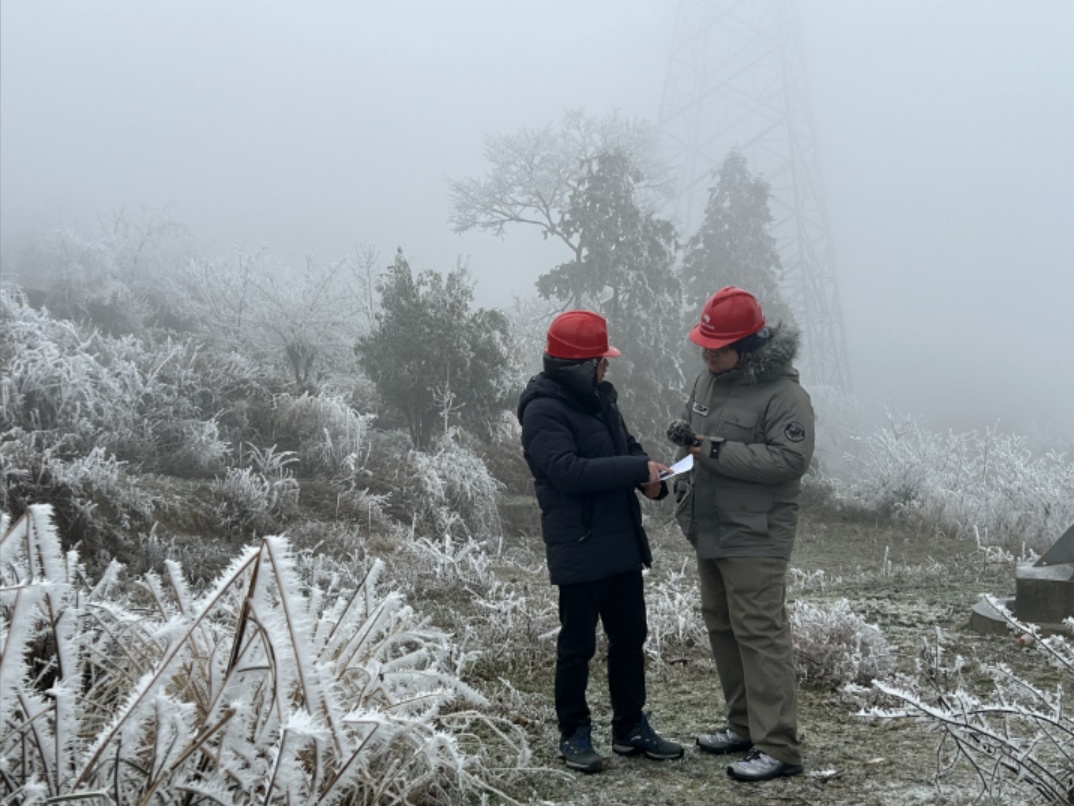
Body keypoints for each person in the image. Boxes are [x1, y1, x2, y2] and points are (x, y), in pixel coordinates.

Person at [517, 309, 685, 774]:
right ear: (579, 365)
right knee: (577, 646)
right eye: (601, 360)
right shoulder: (542, 409)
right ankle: (573, 732)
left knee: (630, 638)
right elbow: (567, 472)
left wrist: (651, 481)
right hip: (579, 544)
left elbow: (628, 448)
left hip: (621, 542)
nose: (607, 366)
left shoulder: (601, 400)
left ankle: (630, 726)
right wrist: (635, 469)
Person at [672, 286, 815, 782]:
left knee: (760, 633)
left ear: (748, 347)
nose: (707, 356)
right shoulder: (706, 382)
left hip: (756, 534)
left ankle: (778, 746)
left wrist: (710, 449)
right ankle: (743, 725)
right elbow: (693, 443)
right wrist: (674, 472)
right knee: (723, 625)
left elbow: (789, 460)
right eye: (704, 347)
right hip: (709, 526)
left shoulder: (785, 396)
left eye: (718, 349)